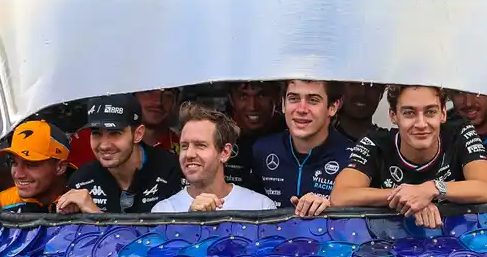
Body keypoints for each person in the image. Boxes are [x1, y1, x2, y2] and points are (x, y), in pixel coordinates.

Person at [332, 85, 487, 228]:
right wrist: (409, 198)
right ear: (393, 116)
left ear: (443, 114)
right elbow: (341, 195)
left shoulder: (460, 132)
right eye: (409, 113)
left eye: (430, 112)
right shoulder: (375, 142)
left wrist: (432, 189)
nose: (421, 124)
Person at [55, 94, 183, 214]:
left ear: (138, 134)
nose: (104, 145)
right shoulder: (81, 180)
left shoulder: (170, 170)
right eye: (96, 133)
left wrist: (95, 216)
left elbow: (172, 235)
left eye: (115, 133)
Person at [252, 80, 354, 217]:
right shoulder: (262, 150)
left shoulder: (352, 157)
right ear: (282, 104)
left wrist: (332, 208)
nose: (301, 109)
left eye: (313, 100)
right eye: (293, 99)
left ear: (333, 107)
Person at [151, 104, 279, 213]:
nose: (189, 154)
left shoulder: (260, 207)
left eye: (200, 145)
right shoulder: (164, 211)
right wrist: (189, 221)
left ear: (225, 152)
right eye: (184, 146)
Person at [0, 119, 73, 212]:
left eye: (30, 164)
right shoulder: (1, 203)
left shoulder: (86, 199)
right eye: (14, 163)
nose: (18, 175)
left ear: (60, 167)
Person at [223, 80, 283, 188]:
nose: (252, 106)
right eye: (243, 96)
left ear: (278, 97)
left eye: (261, 95)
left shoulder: (293, 134)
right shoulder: (218, 134)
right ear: (231, 99)